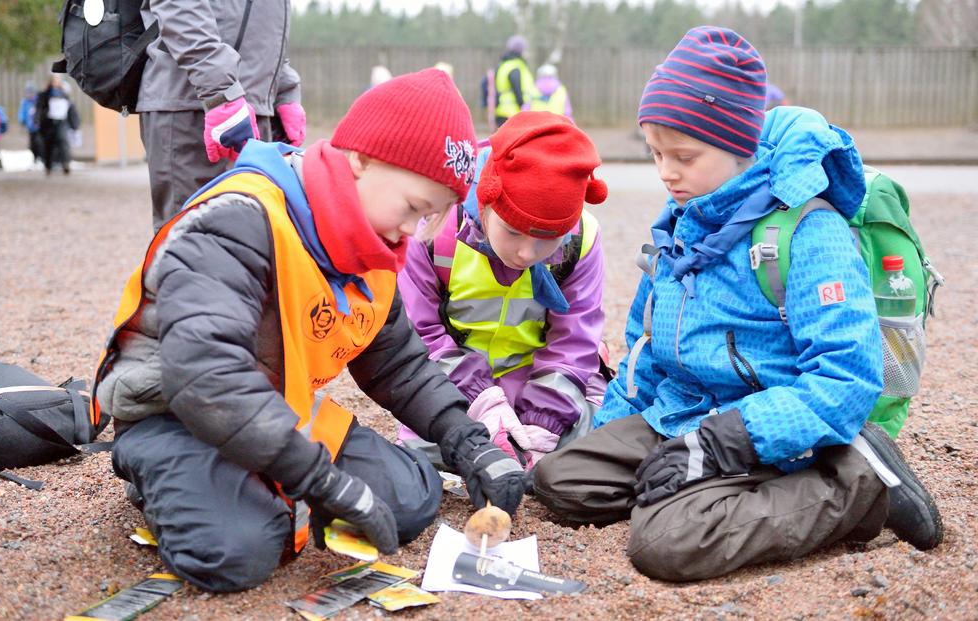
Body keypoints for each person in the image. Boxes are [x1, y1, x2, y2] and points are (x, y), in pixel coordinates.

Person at [532, 26, 943, 581]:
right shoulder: (685, 220)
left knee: (666, 542)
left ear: (740, 147)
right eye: (654, 153)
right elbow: (646, 346)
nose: (665, 172)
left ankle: (857, 485)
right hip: (681, 413)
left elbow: (847, 378)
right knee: (562, 482)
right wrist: (615, 427)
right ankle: (707, 486)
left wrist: (720, 444)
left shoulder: (808, 230)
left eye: (684, 155)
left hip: (771, 431)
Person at [91, 69, 526, 593]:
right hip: (177, 414)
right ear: (362, 159)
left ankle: (264, 488)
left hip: (278, 412)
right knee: (232, 553)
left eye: (432, 217)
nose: (415, 231)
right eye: (414, 207)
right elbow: (207, 378)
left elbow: (397, 363)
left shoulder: (372, 243)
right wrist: (320, 481)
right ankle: (167, 476)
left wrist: (470, 442)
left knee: (413, 497)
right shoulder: (238, 220)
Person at [396, 111, 609, 471]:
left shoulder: (582, 239)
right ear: (486, 200)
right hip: (457, 384)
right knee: (427, 444)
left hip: (540, 387)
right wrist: (482, 404)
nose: (526, 253)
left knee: (590, 445)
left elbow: (573, 343)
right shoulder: (432, 229)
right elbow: (418, 335)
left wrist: (545, 421)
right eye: (512, 231)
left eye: (547, 240)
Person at [137, 0, 307, 231]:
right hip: (196, 104)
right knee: (193, 244)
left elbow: (260, 23)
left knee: (250, 239)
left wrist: (284, 89)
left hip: (251, 106)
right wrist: (219, 92)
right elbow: (178, 6)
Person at [35, 75, 80, 176]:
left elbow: (71, 110)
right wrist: (37, 120)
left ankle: (65, 164)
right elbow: (39, 109)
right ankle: (48, 166)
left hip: (61, 122)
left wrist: (75, 124)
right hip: (48, 123)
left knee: (63, 143)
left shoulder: (64, 95)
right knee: (48, 145)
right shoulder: (44, 95)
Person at [493, 35, 534, 127]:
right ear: (521, 50)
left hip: (501, 110)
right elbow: (517, 89)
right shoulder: (515, 66)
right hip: (513, 112)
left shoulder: (503, 65)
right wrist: (522, 105)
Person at [18, 82, 43, 167]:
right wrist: (22, 122)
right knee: (32, 145)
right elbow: (22, 113)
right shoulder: (25, 102)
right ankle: (35, 159)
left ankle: (41, 159)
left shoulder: (38, 100)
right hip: (31, 127)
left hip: (39, 127)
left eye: (31, 92)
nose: (30, 94)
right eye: (28, 92)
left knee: (39, 143)